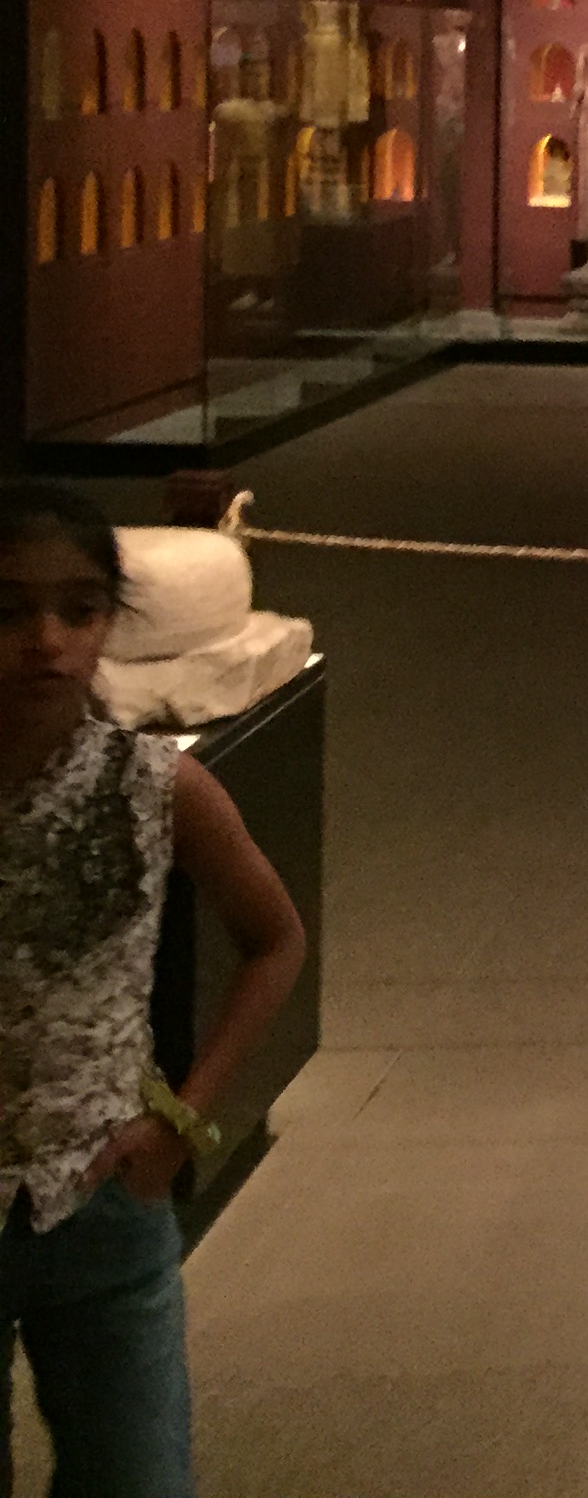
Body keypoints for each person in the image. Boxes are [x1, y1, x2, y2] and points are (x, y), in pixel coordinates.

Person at [0, 485, 306, 1496]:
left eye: (78, 610)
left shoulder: (154, 786)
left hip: (102, 1194)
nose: (46, 641)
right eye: (10, 611)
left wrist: (184, 1117)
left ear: (108, 624)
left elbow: (274, 940)